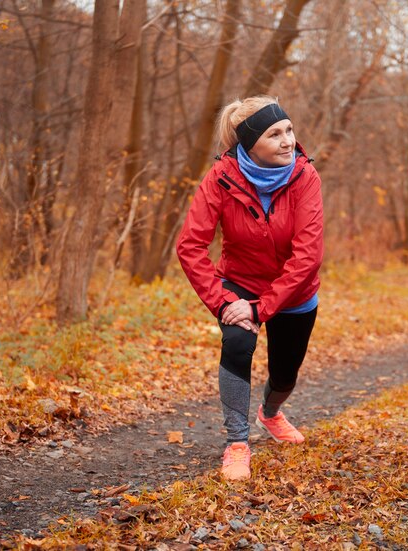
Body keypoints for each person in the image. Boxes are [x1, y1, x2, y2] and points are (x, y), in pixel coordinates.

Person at [176, 96, 323, 481]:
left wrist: (262, 309)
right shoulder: (221, 179)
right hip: (240, 281)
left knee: (285, 373)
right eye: (275, 134)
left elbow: (307, 255)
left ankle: (270, 413)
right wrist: (225, 303)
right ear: (249, 144)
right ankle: (237, 443)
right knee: (238, 344)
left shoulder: (305, 177)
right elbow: (190, 246)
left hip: (295, 291)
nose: (288, 141)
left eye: (289, 130)